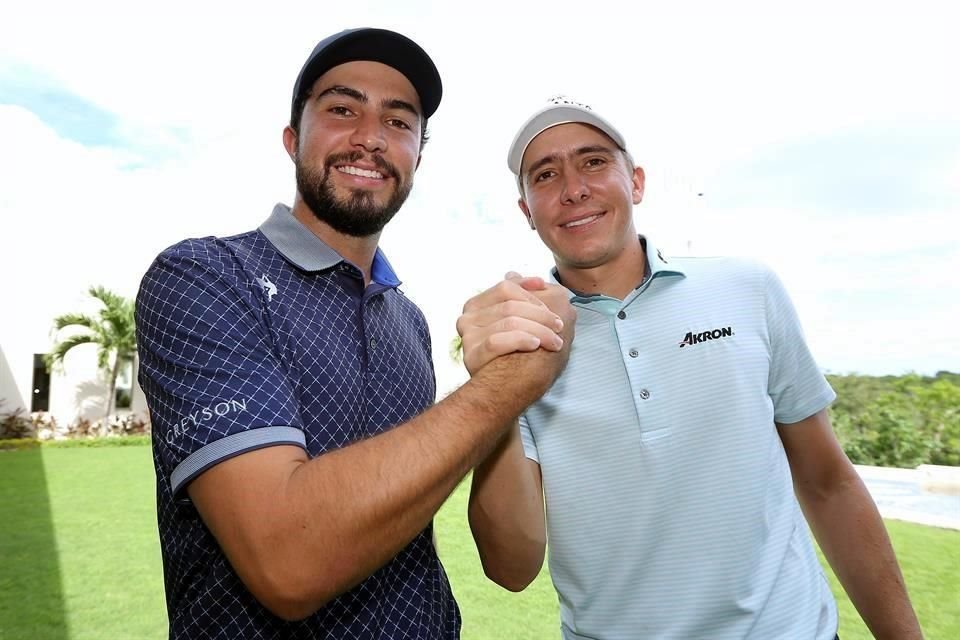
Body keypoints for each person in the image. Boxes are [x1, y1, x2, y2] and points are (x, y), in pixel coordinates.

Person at [134, 29, 574, 639]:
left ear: (418, 154)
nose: (370, 138)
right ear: (293, 140)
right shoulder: (208, 276)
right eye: (343, 110)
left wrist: (501, 374)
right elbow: (289, 563)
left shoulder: (408, 321)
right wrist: (509, 381)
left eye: (399, 122)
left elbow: (508, 561)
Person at [461, 96, 924, 639]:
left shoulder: (747, 289)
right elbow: (511, 569)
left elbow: (828, 484)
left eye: (592, 161)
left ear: (635, 182)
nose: (573, 189)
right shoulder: (520, 345)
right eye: (545, 174)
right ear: (527, 211)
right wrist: (494, 386)